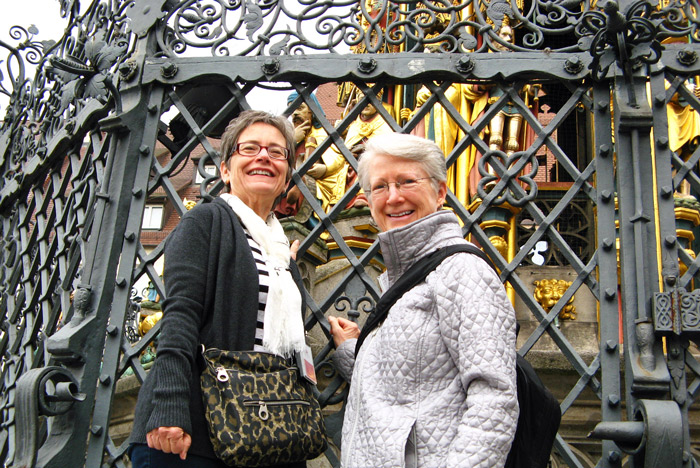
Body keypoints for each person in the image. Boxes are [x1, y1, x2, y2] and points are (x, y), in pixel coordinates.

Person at [128, 110, 311, 468]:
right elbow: (180, 316)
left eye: (277, 153)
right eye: (250, 148)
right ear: (226, 170)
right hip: (191, 434)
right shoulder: (206, 221)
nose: (264, 157)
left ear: (287, 173)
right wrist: (168, 406)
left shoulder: (278, 250)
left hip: (264, 433)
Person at [328, 133, 518, 468]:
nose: (394, 197)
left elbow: (494, 399)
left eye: (407, 181)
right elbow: (408, 386)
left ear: (440, 192)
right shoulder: (402, 276)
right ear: (369, 200)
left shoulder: (461, 270)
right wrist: (351, 350)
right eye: (380, 186)